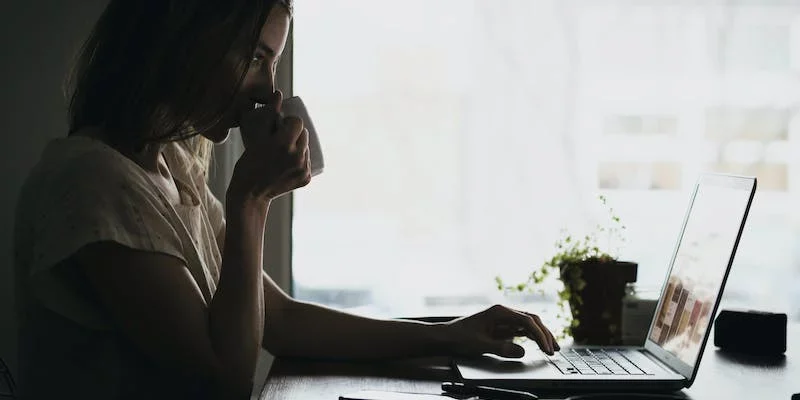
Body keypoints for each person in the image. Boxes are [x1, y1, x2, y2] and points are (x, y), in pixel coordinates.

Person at [12, 0, 559, 399]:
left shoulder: (172, 168)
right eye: (255, 57)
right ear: (183, 41)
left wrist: (452, 334)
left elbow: (279, 318)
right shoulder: (93, 182)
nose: (269, 90)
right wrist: (251, 199)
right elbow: (222, 378)